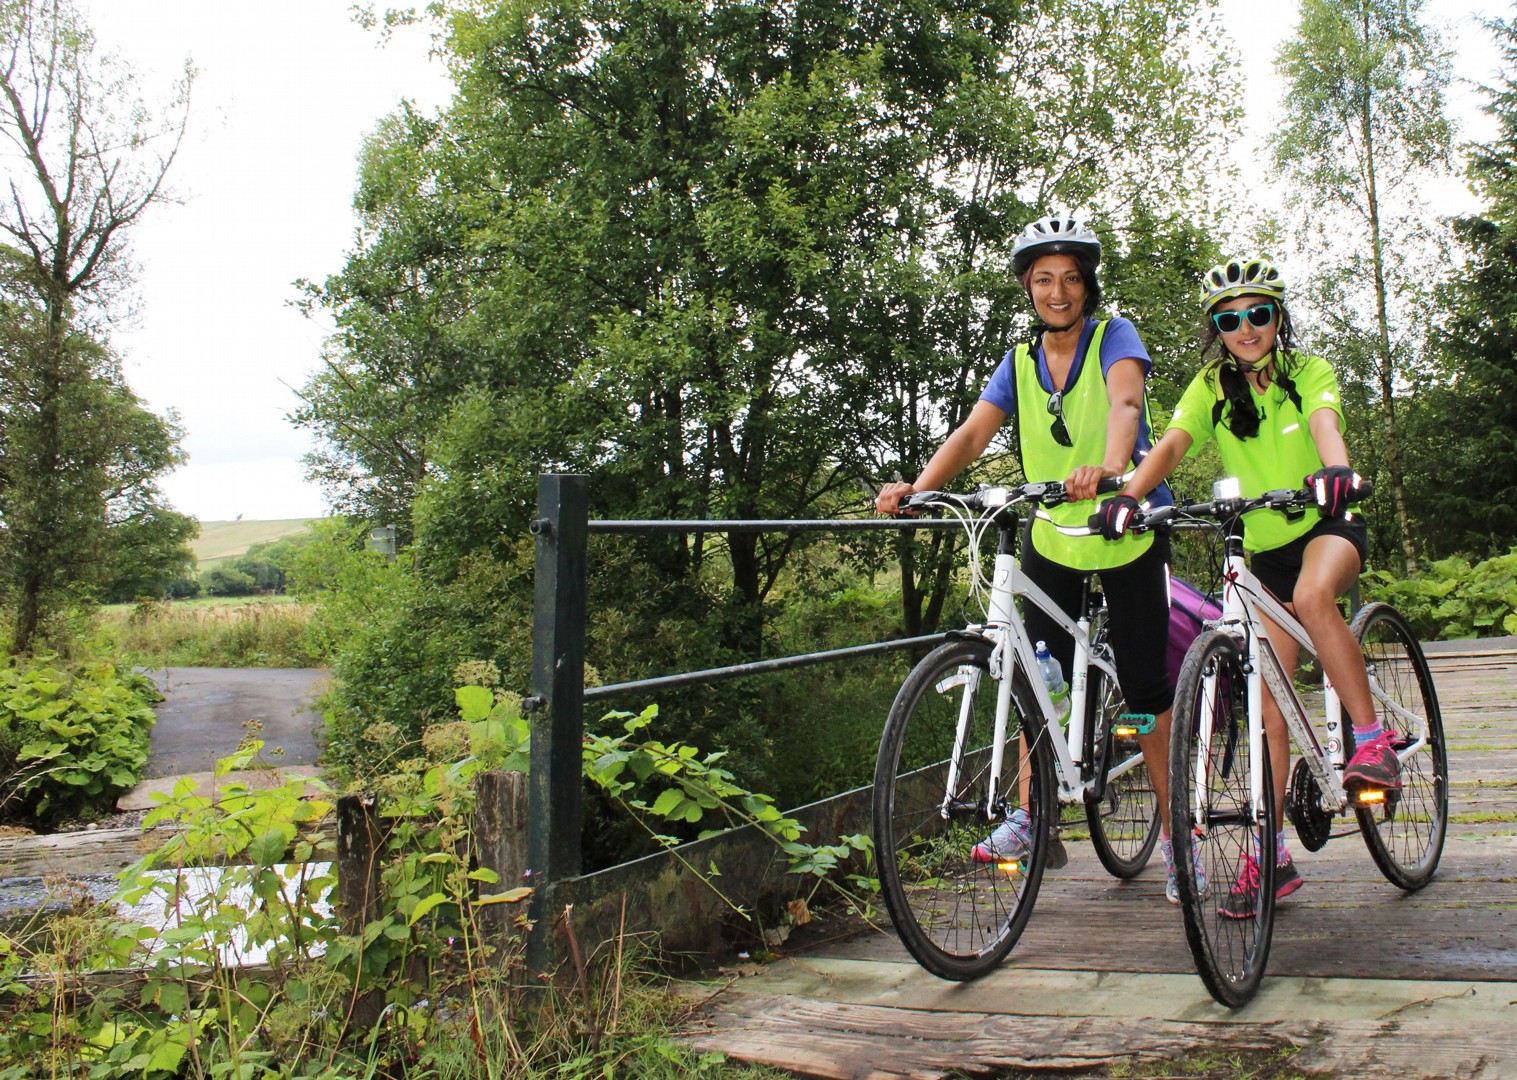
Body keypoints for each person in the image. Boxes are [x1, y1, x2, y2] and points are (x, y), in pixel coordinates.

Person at [875, 215, 1195, 901]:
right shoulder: (1018, 360)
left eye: (1069, 279)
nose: (1057, 291)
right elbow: (972, 431)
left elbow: (1126, 401)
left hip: (1123, 525)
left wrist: (1110, 467)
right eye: (1043, 279)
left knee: (1146, 692)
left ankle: (1177, 840)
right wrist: (918, 488)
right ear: (1027, 287)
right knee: (1035, 676)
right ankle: (1032, 815)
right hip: (1052, 531)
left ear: (1086, 285)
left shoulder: (1115, 335)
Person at [1095, 256, 1398, 918]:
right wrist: (1128, 497)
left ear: (1276, 316)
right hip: (1261, 552)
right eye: (1228, 319)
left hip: (1325, 525)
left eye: (1257, 313)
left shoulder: (1305, 373)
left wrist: (1336, 472)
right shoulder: (1210, 387)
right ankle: (1271, 854)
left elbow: (1327, 427)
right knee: (1268, 710)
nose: (1244, 328)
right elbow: (1171, 445)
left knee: (1316, 601)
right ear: (1216, 329)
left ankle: (1371, 743)